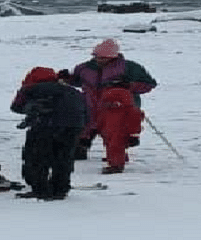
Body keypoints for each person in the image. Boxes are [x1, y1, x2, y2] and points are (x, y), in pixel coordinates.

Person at [65, 38, 156, 173]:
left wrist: (129, 86)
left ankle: (116, 160)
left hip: (116, 108)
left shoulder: (130, 67)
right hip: (89, 107)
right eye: (97, 57)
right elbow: (75, 81)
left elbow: (149, 84)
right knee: (82, 133)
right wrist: (65, 77)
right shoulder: (83, 68)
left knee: (115, 135)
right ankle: (79, 152)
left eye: (103, 57)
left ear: (113, 56)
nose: (99, 60)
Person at [9, 66, 87, 200]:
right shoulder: (73, 91)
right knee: (63, 159)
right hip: (73, 127)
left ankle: (40, 189)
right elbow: (86, 111)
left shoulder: (30, 89)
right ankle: (60, 189)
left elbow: (16, 107)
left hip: (45, 127)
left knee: (36, 158)